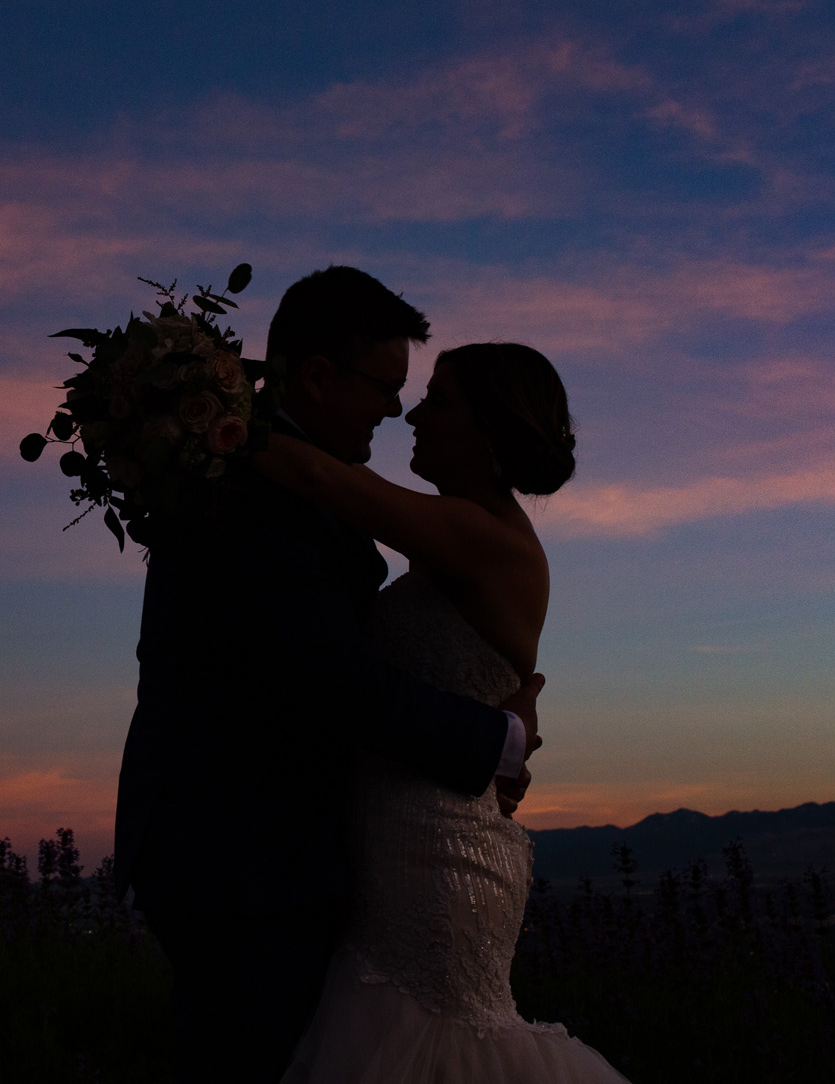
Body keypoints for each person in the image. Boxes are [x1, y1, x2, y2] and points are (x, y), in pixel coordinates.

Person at [112, 267, 543, 1084]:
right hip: (248, 863)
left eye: (420, 396)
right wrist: (500, 738)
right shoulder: (252, 487)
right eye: (386, 386)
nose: (396, 408)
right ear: (317, 376)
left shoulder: (258, 474)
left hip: (287, 856)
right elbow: (331, 681)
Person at [259, 341, 628, 1083]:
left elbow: (312, 472)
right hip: (397, 846)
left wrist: (193, 400)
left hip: (439, 866)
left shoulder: (485, 540)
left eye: (440, 399)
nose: (414, 413)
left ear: (489, 429)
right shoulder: (454, 540)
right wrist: (508, 737)